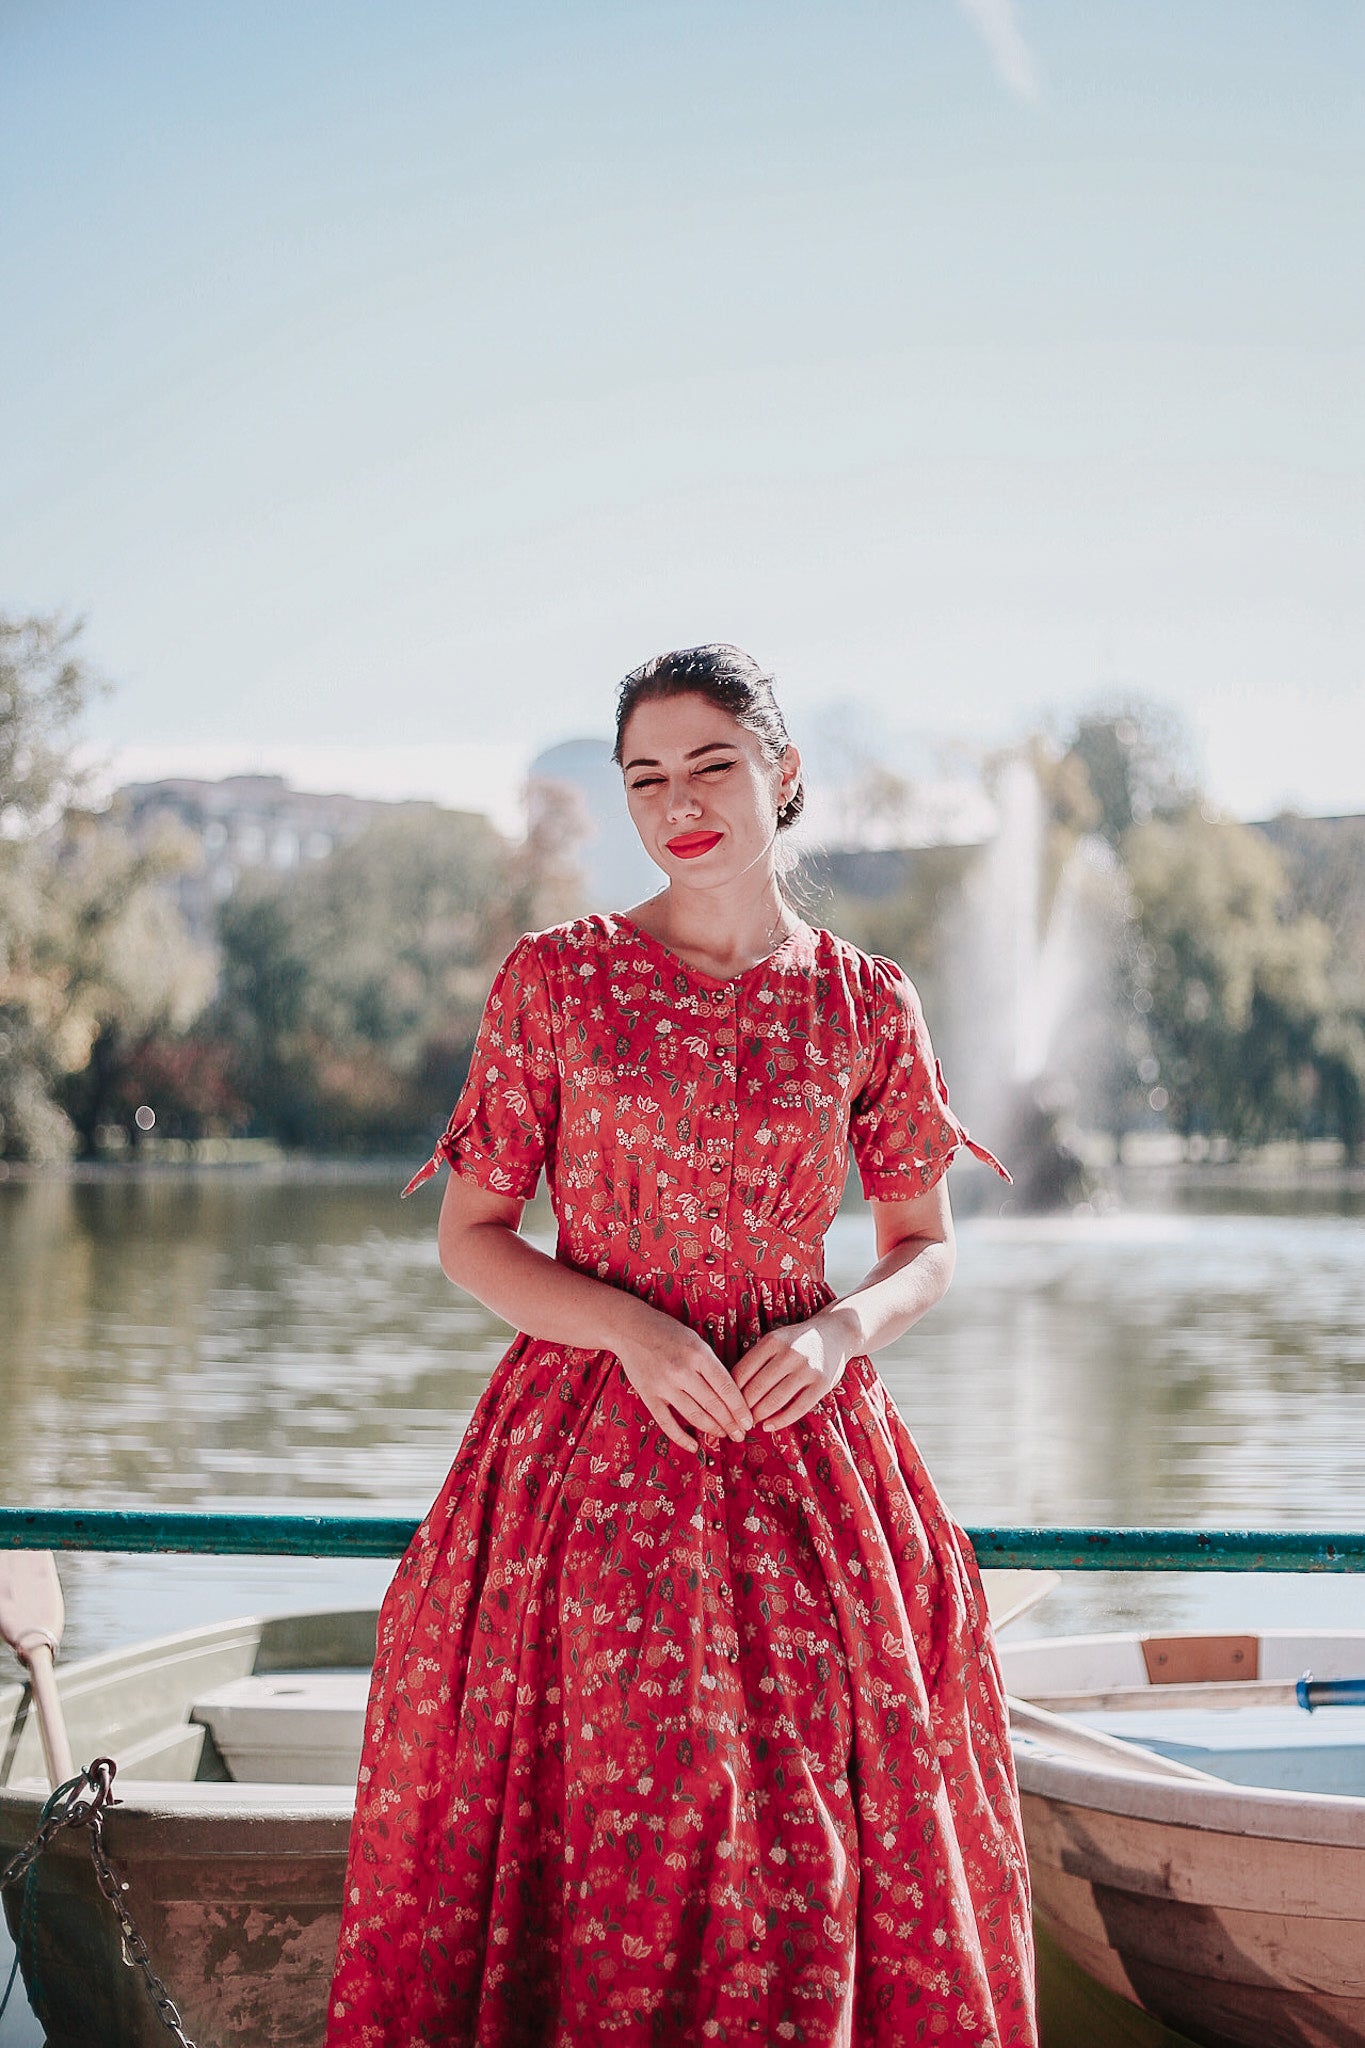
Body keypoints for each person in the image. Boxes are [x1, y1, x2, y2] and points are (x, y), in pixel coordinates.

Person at [326, 644, 1037, 2047]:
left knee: (810, 1840)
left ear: (782, 775)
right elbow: (471, 1237)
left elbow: (924, 1246)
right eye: (644, 777)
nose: (678, 803)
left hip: (805, 1468)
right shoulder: (556, 981)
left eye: (710, 764)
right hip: (583, 1468)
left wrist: (841, 1330)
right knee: (602, 1820)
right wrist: (630, 1328)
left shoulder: (862, 1001)